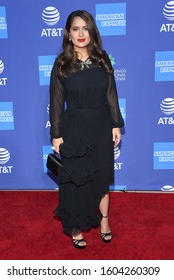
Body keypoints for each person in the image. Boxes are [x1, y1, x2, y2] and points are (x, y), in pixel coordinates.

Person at [49, 10, 124, 249]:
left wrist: (116, 124)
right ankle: (76, 226)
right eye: (75, 29)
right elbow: (57, 102)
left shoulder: (103, 59)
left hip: (101, 126)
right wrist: (56, 134)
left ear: (92, 32)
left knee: (101, 177)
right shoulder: (62, 63)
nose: (81, 33)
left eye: (85, 28)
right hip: (75, 129)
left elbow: (111, 94)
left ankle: (104, 222)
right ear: (68, 34)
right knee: (77, 181)